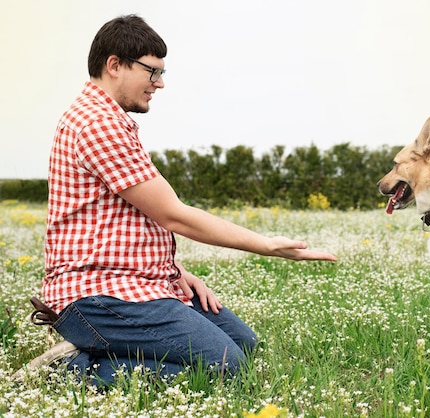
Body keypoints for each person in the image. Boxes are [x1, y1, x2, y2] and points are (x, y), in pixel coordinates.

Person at [22, 14, 336, 385]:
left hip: (130, 285)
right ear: (114, 65)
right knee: (225, 366)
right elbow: (175, 215)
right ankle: (72, 371)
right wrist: (266, 245)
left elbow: (119, 220)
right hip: (96, 296)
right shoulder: (97, 124)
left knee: (244, 345)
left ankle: (100, 349)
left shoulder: (107, 119)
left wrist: (176, 274)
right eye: (152, 72)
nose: (160, 83)